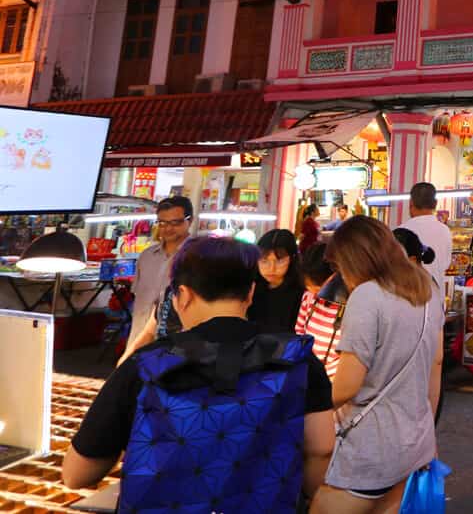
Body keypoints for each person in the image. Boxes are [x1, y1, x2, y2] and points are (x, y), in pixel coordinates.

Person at [63, 237, 335, 510]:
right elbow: (322, 448)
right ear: (250, 293)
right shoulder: (298, 359)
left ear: (183, 295)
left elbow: (76, 474)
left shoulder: (146, 364)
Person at [312, 216, 443, 513]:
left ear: (354, 260)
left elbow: (346, 387)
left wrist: (302, 405)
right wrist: (429, 432)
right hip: (414, 443)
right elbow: (435, 364)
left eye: (339, 267)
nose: (340, 276)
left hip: (371, 448)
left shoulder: (367, 296)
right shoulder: (428, 291)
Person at [128, 195, 192, 341]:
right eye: (162, 223)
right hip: (139, 339)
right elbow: (139, 298)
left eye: (175, 222)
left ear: (190, 220)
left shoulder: (198, 257)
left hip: (175, 344)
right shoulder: (146, 256)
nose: (168, 228)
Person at [296, 243, 346, 378]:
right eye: (309, 287)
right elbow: (300, 332)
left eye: (319, 289)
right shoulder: (308, 297)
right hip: (309, 373)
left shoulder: (349, 305)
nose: (315, 294)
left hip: (336, 378)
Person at [400, 182, 453, 298]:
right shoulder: (445, 231)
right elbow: (445, 265)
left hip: (408, 300)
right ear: (435, 204)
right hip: (436, 301)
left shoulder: (401, 231)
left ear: (411, 203)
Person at [249, 228, 307, 332]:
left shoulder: (302, 293)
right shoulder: (250, 288)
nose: (271, 268)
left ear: (292, 259)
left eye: (279, 261)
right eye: (264, 261)